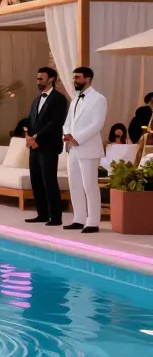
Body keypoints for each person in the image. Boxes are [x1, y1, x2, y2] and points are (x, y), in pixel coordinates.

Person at [62, 67, 108, 234]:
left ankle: (93, 221)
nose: (75, 80)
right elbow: (67, 122)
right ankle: (79, 218)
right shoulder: (75, 99)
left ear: (88, 79)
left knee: (89, 185)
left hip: (88, 148)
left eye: (78, 77)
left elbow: (97, 124)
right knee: (74, 185)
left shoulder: (99, 99)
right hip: (72, 148)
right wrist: (66, 135)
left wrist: (77, 138)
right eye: (74, 77)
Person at [25, 67, 68, 227]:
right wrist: (28, 137)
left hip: (49, 146)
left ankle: (55, 217)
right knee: (36, 180)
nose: (38, 81)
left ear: (51, 79)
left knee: (49, 181)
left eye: (41, 78)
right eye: (37, 78)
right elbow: (30, 121)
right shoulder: (36, 100)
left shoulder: (59, 99)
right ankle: (42, 214)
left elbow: (56, 123)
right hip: (34, 147)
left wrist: (37, 137)